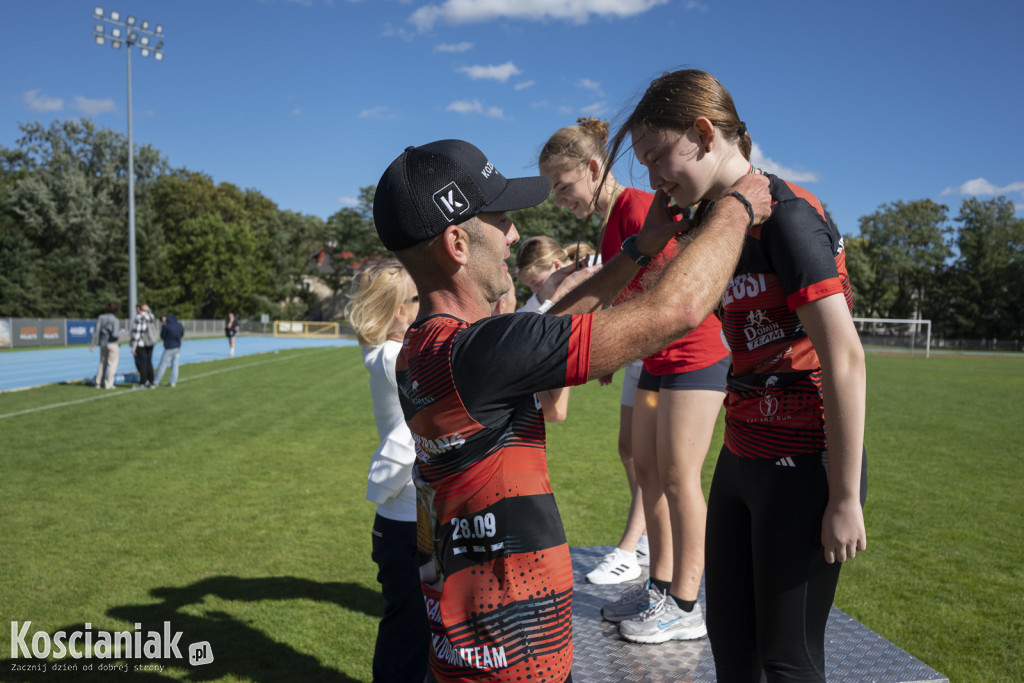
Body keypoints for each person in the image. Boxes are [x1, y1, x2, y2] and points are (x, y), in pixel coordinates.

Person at [372, 138, 770, 682]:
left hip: (469, 645)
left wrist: (638, 249)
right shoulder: (480, 354)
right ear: (458, 242)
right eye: (501, 218)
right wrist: (737, 207)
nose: (514, 233)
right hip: (514, 657)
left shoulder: (425, 348)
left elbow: (541, 335)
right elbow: (674, 309)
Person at [609, 69, 867, 680]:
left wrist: (846, 496)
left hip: (804, 464)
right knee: (732, 651)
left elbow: (845, 358)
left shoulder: (787, 215)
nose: (654, 179)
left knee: (787, 660)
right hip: (741, 454)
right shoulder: (709, 225)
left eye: (657, 158)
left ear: (703, 133)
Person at [541, 117, 731, 646]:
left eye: (564, 185)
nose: (560, 199)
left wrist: (608, 344)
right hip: (654, 361)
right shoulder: (614, 219)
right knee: (647, 471)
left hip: (693, 355)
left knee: (677, 477)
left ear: (594, 169)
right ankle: (657, 588)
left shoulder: (633, 207)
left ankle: (686, 605)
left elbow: (667, 294)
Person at [344, 258, 430, 683]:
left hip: (409, 518)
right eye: (418, 299)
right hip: (405, 522)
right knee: (409, 634)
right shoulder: (393, 355)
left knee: (416, 631)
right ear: (399, 311)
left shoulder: (383, 350)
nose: (427, 304)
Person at [89, 301, 121, 390]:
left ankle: (98, 382)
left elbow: (96, 331)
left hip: (102, 343)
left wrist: (92, 343)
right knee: (112, 364)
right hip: (112, 343)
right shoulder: (115, 320)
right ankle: (109, 384)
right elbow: (115, 335)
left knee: (102, 363)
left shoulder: (101, 317)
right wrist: (119, 333)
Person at [153, 313, 185, 388]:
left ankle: (155, 381)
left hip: (169, 347)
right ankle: (173, 382)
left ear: (165, 317)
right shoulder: (179, 325)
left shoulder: (166, 326)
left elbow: (162, 336)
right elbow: (182, 334)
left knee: (163, 365)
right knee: (175, 365)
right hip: (178, 346)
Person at [130, 303, 156, 389]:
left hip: (141, 343)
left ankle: (143, 382)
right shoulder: (151, 316)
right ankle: (151, 381)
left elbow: (137, 333)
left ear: (138, 309)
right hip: (150, 342)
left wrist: (133, 346)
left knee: (142, 363)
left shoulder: (139, 317)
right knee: (149, 362)